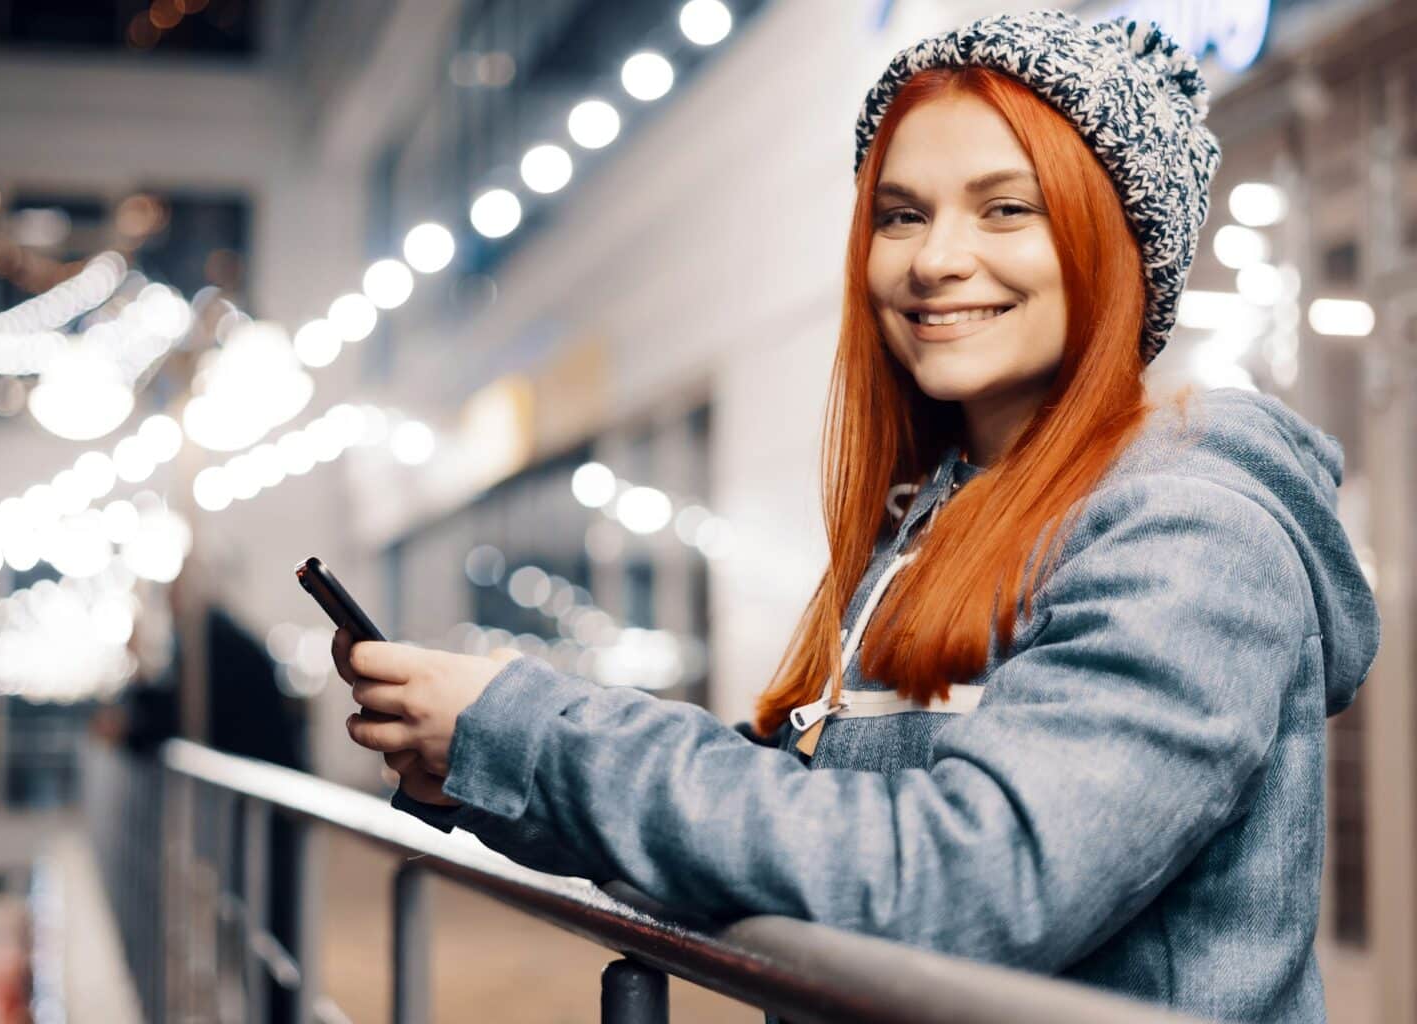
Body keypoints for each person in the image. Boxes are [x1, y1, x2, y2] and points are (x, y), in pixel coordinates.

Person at [329, 10, 1382, 1022]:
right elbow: (790, 837)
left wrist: (528, 735)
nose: (934, 259)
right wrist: (475, 758)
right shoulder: (943, 511)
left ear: (1116, 243)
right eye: (901, 213)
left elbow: (967, 882)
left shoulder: (1191, 532)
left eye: (1005, 209)